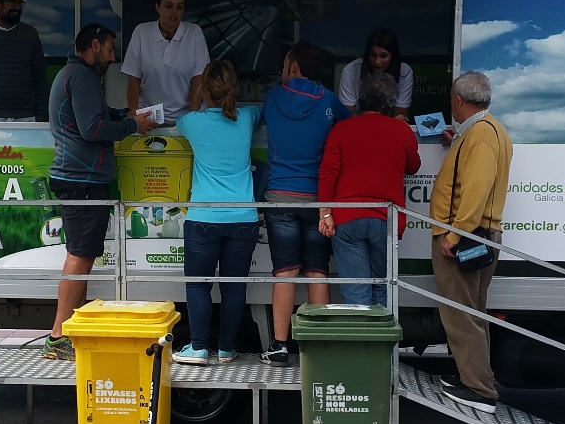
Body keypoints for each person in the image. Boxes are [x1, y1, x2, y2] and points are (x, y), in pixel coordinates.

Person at [43, 24, 158, 360]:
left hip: (82, 178)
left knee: (83, 254)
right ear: (94, 46)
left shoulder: (77, 76)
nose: (112, 56)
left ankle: (71, 331)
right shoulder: (80, 76)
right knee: (79, 256)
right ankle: (57, 336)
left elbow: (97, 116)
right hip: (81, 179)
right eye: (109, 49)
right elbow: (92, 128)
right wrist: (132, 126)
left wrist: (126, 115)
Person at [259, 42, 351, 364]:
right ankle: (319, 346)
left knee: (284, 271)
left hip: (280, 196)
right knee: (317, 271)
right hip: (317, 200)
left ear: (294, 66)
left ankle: (279, 346)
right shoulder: (328, 100)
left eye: (285, 65)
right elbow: (350, 125)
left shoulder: (271, 98)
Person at [428, 71, 513, 414]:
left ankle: (479, 389)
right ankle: (475, 379)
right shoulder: (488, 130)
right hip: (481, 236)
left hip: (466, 237)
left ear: (458, 101)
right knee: (473, 312)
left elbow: (475, 192)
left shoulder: (479, 136)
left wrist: (454, 235)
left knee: (460, 313)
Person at [173, 60, 262, 365]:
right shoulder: (248, 118)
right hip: (243, 219)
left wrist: (198, 96)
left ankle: (198, 347)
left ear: (204, 89)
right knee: (234, 287)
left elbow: (187, 112)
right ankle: (226, 349)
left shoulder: (192, 123)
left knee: (198, 285)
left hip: (204, 218)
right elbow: (254, 112)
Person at [318, 72, 420, 307]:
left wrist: (325, 213)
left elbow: (327, 174)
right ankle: (382, 343)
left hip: (347, 216)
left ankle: (358, 341)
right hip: (386, 218)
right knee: (384, 287)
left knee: (356, 290)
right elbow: (413, 167)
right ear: (391, 102)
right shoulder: (401, 131)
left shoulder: (341, 129)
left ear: (361, 98)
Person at [123, 0, 210, 123]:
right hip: (150, 116)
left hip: (185, 116)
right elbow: (133, 78)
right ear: (158, 7)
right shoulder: (141, 32)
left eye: (180, 7)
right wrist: (135, 115)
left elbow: (199, 78)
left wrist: (191, 118)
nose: (174, 12)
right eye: (169, 6)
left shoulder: (194, 33)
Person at [338, 27, 414, 120]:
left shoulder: (404, 71)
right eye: (373, 55)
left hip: (389, 128)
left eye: (383, 56)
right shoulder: (351, 70)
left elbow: (401, 116)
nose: (377, 61)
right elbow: (348, 116)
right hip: (359, 127)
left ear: (393, 55)